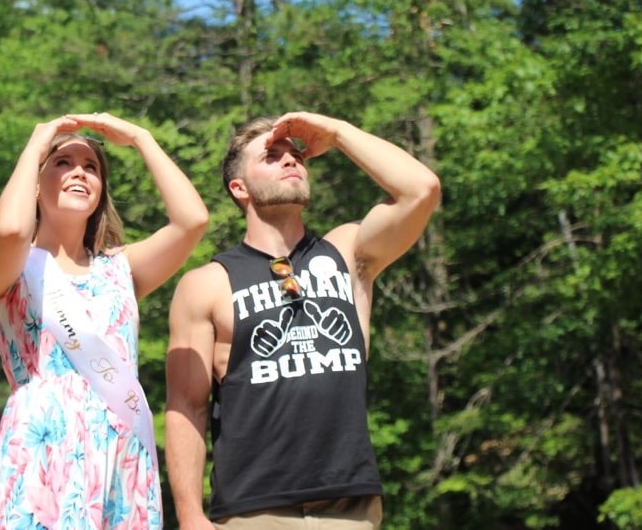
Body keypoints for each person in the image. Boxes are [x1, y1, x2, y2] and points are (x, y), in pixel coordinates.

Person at [165, 112, 441, 529]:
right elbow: (186, 405)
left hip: (350, 508)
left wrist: (337, 132)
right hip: (253, 511)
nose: (290, 160)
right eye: (271, 156)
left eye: (295, 154)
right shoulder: (207, 284)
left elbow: (421, 189)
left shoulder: (348, 253)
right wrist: (189, 515)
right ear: (239, 188)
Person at [0, 112, 208, 530]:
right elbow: (9, 230)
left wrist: (141, 137)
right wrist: (36, 144)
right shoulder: (7, 266)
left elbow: (192, 221)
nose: (79, 172)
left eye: (91, 167)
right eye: (62, 163)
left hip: (122, 455)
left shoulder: (120, 268)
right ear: (34, 183)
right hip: (43, 452)